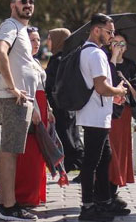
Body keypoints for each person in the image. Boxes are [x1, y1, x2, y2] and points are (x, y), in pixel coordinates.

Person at [0, 0, 40, 221]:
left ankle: (8, 202)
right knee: (9, 151)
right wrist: (12, 87)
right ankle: (8, 207)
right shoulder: (10, 26)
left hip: (21, 99)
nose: (28, 5)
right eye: (23, 1)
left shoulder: (22, 28)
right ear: (13, 5)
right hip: (12, 98)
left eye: (30, 1)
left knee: (11, 150)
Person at [76, 13, 130, 222]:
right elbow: (101, 86)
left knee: (104, 157)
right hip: (95, 116)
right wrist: (118, 91)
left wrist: (112, 95)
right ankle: (88, 206)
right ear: (96, 30)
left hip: (97, 113)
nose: (112, 36)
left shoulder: (88, 51)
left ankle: (103, 200)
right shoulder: (96, 55)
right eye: (109, 32)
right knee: (91, 162)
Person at [107, 33, 136, 204]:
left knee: (120, 151)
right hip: (106, 113)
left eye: (122, 43)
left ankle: (114, 189)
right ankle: (104, 190)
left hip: (123, 115)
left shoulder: (131, 65)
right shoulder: (103, 62)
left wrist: (128, 87)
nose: (118, 46)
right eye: (115, 43)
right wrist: (113, 60)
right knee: (108, 152)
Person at [14, 26, 53, 208]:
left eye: (38, 40)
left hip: (42, 107)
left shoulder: (35, 61)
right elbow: (27, 88)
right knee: (30, 153)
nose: (36, 43)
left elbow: (42, 87)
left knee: (40, 153)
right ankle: (25, 195)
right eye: (32, 40)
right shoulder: (22, 62)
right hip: (32, 108)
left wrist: (49, 109)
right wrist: (35, 109)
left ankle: (37, 193)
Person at [44, 27, 83, 175]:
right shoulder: (63, 58)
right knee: (69, 138)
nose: (47, 41)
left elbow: (55, 84)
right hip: (64, 107)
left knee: (69, 141)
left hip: (60, 108)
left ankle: (87, 170)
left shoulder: (59, 60)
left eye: (50, 38)